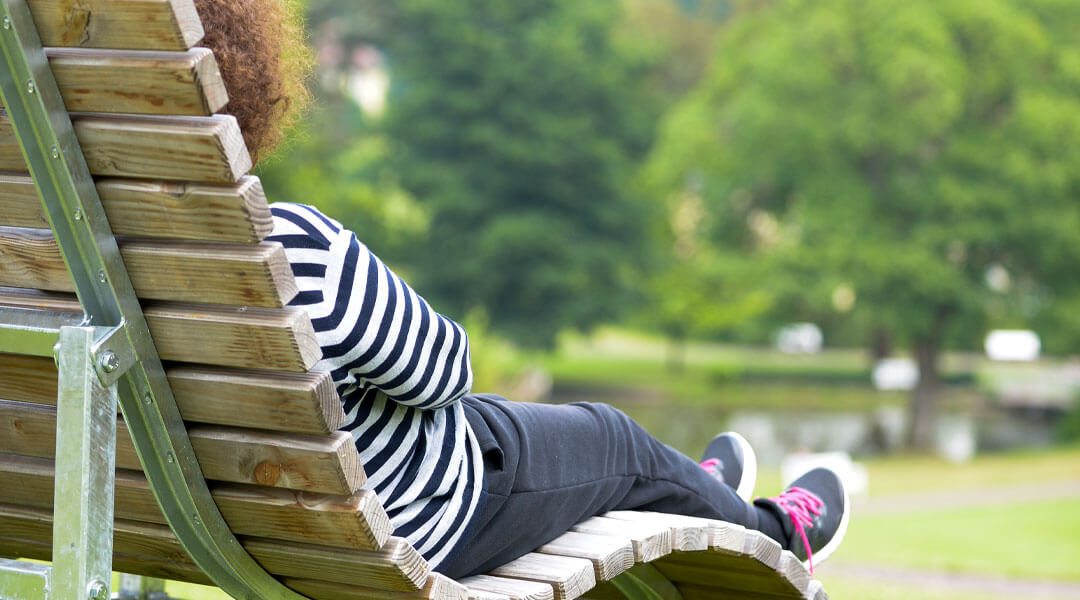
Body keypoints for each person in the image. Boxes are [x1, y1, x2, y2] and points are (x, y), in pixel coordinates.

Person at [194, 0, 850, 578]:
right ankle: (776, 529)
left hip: (260, 540)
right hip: (430, 517)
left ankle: (693, 493)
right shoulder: (293, 246)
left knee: (599, 455)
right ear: (248, 85)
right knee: (615, 441)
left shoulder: (101, 282)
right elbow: (444, 371)